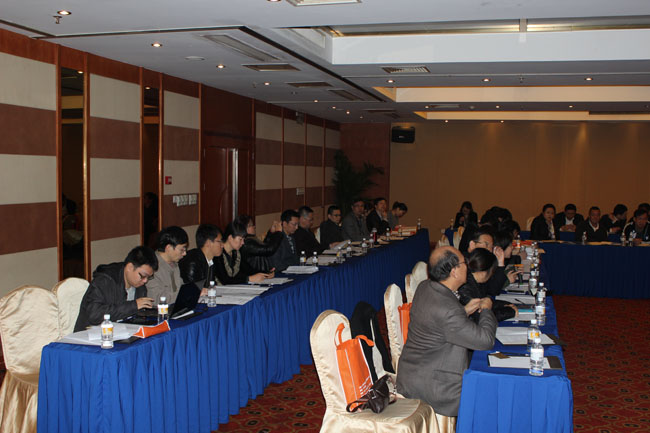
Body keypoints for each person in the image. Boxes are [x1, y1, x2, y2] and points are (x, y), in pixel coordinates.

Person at [396, 246, 497, 418]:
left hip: (414, 373)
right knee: (490, 394)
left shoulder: (425, 286)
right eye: (464, 263)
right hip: (434, 387)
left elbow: (437, 323)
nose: (468, 266)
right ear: (454, 272)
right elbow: (486, 340)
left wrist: (464, 311)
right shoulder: (448, 309)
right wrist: (487, 309)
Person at [74, 246, 158, 332]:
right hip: (91, 334)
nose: (145, 281)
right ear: (130, 267)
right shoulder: (104, 280)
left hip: (122, 332)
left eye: (149, 277)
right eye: (143, 276)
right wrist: (133, 305)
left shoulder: (140, 287)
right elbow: (94, 315)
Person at [459, 248, 518, 322]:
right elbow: (480, 316)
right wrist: (510, 311)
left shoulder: (475, 281)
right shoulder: (466, 286)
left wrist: (506, 304)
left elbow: (487, 302)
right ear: (484, 273)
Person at [466, 226, 518, 296]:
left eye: (491, 247)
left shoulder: (487, 261)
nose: (489, 250)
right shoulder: (465, 263)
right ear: (472, 245)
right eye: (486, 245)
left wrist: (500, 263)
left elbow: (493, 290)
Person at [146, 226, 188, 304]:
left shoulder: (174, 264)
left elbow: (181, 287)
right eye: (182, 249)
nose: (184, 253)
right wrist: (185, 295)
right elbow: (156, 299)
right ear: (168, 248)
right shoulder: (151, 267)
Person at [179, 224, 223, 288]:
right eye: (219, 241)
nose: (222, 245)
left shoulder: (211, 260)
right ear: (208, 243)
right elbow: (193, 290)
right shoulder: (192, 263)